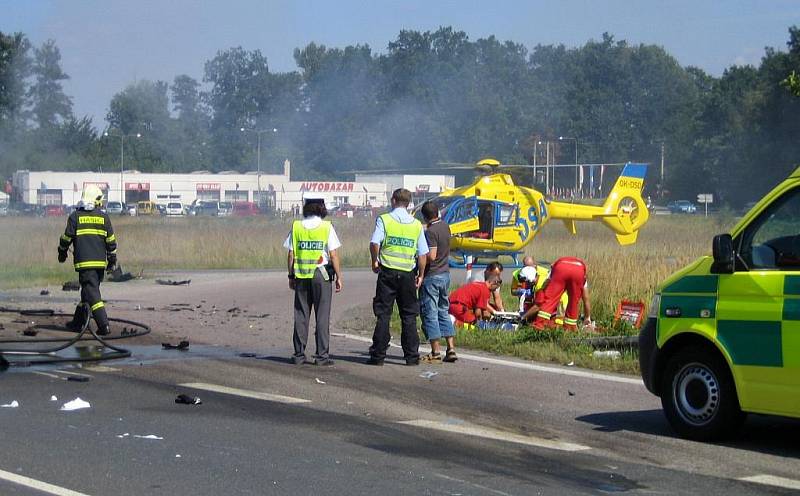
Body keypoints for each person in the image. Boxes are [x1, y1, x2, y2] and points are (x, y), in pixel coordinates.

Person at [367, 188, 428, 366]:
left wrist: (375, 260)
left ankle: (378, 356)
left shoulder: (385, 220)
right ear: (409, 203)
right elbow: (422, 254)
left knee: (383, 314)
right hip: (408, 274)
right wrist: (421, 275)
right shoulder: (416, 224)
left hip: (387, 273)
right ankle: (411, 356)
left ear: (393, 200)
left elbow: (374, 242)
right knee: (409, 316)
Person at [285, 194, 343, 366]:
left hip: (301, 275)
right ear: (322, 207)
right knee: (322, 315)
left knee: (301, 315)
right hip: (322, 275)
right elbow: (333, 254)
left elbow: (291, 254)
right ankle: (321, 356)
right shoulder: (326, 227)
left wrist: (290, 275)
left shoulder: (296, 226)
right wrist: (339, 276)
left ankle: (298, 355)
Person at [57, 184, 117, 336]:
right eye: (99, 199)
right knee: (87, 292)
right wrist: (112, 260)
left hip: (85, 264)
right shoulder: (104, 218)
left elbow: (66, 238)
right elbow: (111, 241)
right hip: (99, 265)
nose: (100, 203)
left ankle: (104, 325)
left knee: (92, 293)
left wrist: (62, 252)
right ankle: (78, 322)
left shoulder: (75, 217)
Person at [418, 200, 457, 364]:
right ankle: (451, 348)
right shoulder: (445, 226)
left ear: (425, 216)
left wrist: (419, 255)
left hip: (432, 275)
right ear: (437, 213)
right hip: (445, 273)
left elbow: (431, 256)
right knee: (443, 310)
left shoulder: (431, 232)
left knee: (430, 313)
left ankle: (435, 351)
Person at [529, 257, 592, 331]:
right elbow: (586, 299)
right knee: (574, 301)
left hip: (560, 269)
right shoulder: (582, 273)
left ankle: (540, 324)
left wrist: (541, 291)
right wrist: (587, 317)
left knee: (550, 299)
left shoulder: (556, 266)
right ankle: (570, 327)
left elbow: (546, 284)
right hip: (578, 271)